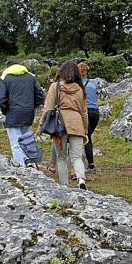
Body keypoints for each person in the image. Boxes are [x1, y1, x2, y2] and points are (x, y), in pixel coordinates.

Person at [37, 61, 89, 190]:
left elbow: (48, 108)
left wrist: (40, 126)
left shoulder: (55, 86)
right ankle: (81, 179)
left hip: (59, 124)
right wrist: (85, 130)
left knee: (61, 157)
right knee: (77, 156)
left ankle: (65, 186)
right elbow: (84, 112)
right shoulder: (80, 88)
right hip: (77, 123)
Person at [0, 61, 46, 166]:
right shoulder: (30, 77)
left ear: (8, 67)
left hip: (13, 113)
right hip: (28, 113)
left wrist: (5, 110)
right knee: (27, 140)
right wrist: (32, 106)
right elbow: (40, 95)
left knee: (16, 143)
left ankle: (22, 166)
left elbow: (1, 98)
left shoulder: (5, 78)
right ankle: (31, 162)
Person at [78, 62, 100, 173]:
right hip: (95, 112)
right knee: (89, 136)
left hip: (85, 112)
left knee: (86, 138)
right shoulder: (93, 83)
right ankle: (89, 163)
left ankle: (91, 166)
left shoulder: (77, 84)